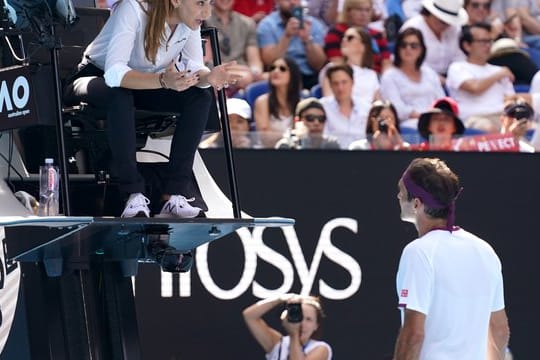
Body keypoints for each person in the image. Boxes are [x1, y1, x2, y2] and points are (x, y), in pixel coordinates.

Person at [63, 0, 240, 218]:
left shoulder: (189, 21)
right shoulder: (133, 9)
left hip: (146, 83)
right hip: (94, 77)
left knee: (200, 96)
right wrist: (163, 81)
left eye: (210, 3)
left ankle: (174, 194)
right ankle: (132, 194)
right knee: (119, 94)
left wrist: (208, 77)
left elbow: (194, 67)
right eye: (201, 3)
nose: (207, 11)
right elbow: (114, 74)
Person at [394, 157, 510, 359]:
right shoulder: (485, 250)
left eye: (401, 192)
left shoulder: (418, 252)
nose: (397, 196)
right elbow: (499, 330)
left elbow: (413, 335)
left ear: (416, 204)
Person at [446, 22, 515, 132]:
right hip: (474, 118)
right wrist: (499, 75)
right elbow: (475, 88)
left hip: (502, 116)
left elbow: (510, 99)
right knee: (488, 128)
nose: (488, 46)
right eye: (483, 41)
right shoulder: (457, 67)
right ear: (467, 45)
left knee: (533, 128)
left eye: (489, 41)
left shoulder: (499, 70)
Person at [380, 27, 445, 128]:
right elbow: (395, 108)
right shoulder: (390, 76)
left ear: (421, 50)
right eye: (403, 45)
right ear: (397, 48)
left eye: (413, 46)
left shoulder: (430, 73)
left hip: (434, 121)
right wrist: (422, 116)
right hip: (408, 124)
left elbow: (441, 100)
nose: (408, 49)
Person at [257, 0, 328, 89]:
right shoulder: (267, 25)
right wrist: (287, 36)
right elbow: (270, 62)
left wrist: (307, 39)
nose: (292, 2)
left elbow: (319, 64)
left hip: (308, 77)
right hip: (280, 75)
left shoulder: (314, 25)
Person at [242, 293, 333, 360]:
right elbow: (249, 316)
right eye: (299, 317)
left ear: (316, 326)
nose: (302, 324)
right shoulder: (278, 343)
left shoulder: (321, 349)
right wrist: (280, 298)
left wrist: (294, 334)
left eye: (308, 319)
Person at [204, 0, 265, 95]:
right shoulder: (203, 21)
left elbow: (254, 60)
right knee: (245, 77)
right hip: (216, 70)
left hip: (245, 72)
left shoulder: (248, 23)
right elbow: (207, 62)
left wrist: (255, 72)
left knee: (270, 78)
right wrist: (244, 70)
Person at [400, 0, 467, 79]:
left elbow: (459, 57)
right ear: (430, 13)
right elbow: (408, 61)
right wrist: (435, 79)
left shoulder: (455, 29)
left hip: (451, 78)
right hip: (418, 78)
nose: (446, 25)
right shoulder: (412, 28)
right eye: (442, 21)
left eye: (449, 22)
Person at [324, 0, 392, 73]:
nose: (363, 14)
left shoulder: (377, 34)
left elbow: (386, 62)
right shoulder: (335, 33)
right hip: (348, 76)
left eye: (367, 10)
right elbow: (337, 62)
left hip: (377, 77)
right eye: (359, 9)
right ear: (348, 11)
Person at [319, 27, 380, 103]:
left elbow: (378, 103)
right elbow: (329, 101)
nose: (344, 40)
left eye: (350, 38)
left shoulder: (371, 74)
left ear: (363, 46)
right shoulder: (332, 68)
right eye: (343, 37)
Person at [253, 57, 302, 148]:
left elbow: (302, 135)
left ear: (293, 74)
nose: (275, 71)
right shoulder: (262, 102)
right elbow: (265, 137)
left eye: (282, 68)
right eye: (272, 68)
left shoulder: (300, 103)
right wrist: (290, 136)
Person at [320, 63, 370, 148]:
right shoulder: (322, 107)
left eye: (344, 82)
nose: (340, 88)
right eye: (336, 83)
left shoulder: (366, 108)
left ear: (352, 82)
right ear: (330, 85)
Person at [275, 97, 341, 149]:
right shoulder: (286, 146)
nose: (316, 123)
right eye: (310, 118)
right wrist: (304, 141)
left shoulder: (331, 146)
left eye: (321, 119)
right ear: (297, 121)